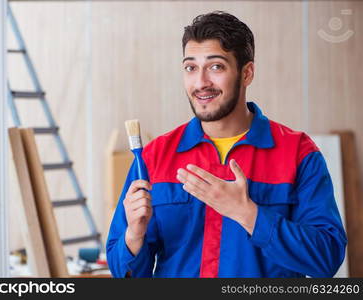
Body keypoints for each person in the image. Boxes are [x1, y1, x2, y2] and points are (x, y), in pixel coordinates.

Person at [106, 11, 347, 278]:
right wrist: (134, 237)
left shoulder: (298, 153)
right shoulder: (154, 157)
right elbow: (126, 276)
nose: (200, 83)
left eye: (216, 67)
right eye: (191, 68)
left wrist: (249, 214)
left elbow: (327, 258)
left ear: (247, 73)